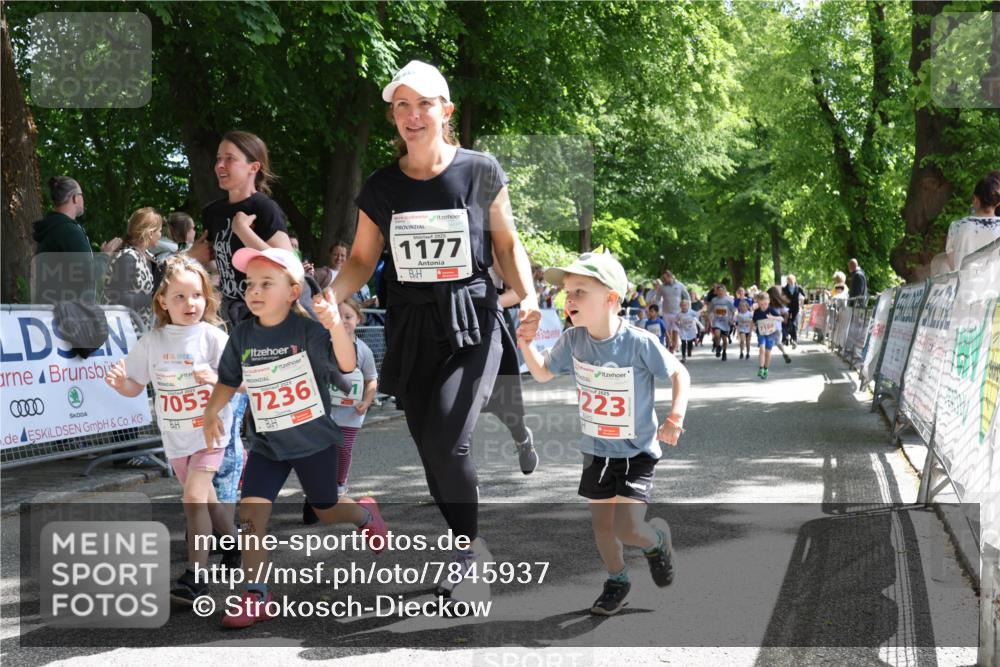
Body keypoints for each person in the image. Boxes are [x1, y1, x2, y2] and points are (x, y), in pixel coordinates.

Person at [327, 60, 541, 602]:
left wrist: (531, 297)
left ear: (445, 111)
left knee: (448, 440)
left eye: (423, 104)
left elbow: (507, 244)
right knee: (431, 447)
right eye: (401, 106)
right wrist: (333, 293)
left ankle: (469, 552)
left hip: (471, 320)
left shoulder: (479, 170)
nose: (412, 115)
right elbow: (360, 258)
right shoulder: (382, 187)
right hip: (412, 327)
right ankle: (463, 543)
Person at [202, 247, 387, 628]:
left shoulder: (308, 330)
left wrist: (335, 324)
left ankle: (365, 513)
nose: (253, 291)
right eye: (250, 284)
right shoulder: (242, 335)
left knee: (326, 509)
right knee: (251, 515)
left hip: (313, 441)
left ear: (292, 291)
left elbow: (348, 364)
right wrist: (210, 412)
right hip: (267, 444)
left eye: (266, 283)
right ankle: (256, 593)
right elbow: (228, 380)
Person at [517, 252, 689, 616]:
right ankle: (617, 580)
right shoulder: (573, 340)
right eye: (567, 291)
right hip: (596, 452)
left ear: (611, 299)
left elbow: (679, 374)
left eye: (580, 291)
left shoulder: (638, 342)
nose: (569, 299)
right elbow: (544, 373)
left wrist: (675, 415)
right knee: (602, 528)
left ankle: (656, 540)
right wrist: (525, 344)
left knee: (628, 529)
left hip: (637, 452)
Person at [104, 255, 243, 604]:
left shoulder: (212, 337)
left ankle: (196, 578)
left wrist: (217, 378)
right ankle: (235, 543)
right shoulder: (153, 341)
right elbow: (136, 385)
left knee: (194, 497)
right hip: (175, 437)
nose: (189, 303)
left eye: (196, 295)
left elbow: (242, 383)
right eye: (179, 296)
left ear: (206, 298)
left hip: (211, 433)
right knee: (208, 502)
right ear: (163, 301)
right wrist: (122, 384)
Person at [187, 131, 296, 327]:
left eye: (230, 159)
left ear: (253, 167)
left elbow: (290, 268)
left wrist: (244, 232)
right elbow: (216, 263)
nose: (220, 165)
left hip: (264, 317)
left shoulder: (264, 208)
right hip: (228, 316)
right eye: (219, 159)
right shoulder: (212, 212)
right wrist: (194, 256)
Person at [33, 176, 121, 304]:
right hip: (68, 314)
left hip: (53, 311)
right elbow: (88, 272)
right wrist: (105, 255)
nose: (83, 199)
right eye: (81, 195)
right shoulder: (69, 230)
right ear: (75, 198)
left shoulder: (53, 227)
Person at [324, 298, 379, 502]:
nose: (343, 321)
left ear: (358, 319)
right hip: (324, 412)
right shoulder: (321, 344)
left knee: (343, 449)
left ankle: (340, 482)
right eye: (338, 316)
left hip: (350, 414)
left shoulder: (364, 350)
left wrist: (366, 400)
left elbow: (371, 379)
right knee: (322, 450)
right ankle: (319, 486)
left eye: (348, 316)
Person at [102, 207, 163, 331]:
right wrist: (150, 299)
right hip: (123, 332)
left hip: (138, 331)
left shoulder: (148, 257)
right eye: (160, 231)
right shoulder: (127, 257)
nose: (161, 235)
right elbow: (119, 297)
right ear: (150, 233)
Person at [947, 170, 1000, 269]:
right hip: (995, 284)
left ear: (975, 199)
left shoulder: (956, 227)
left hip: (966, 284)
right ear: (997, 203)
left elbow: (953, 266)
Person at [654, 270, 689, 353]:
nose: (663, 280)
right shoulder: (662, 287)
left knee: (675, 330)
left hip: (677, 312)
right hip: (666, 312)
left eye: (665, 278)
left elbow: (687, 296)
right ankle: (670, 344)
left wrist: (687, 308)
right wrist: (658, 309)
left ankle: (673, 348)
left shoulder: (680, 285)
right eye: (663, 278)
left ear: (670, 277)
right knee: (667, 330)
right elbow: (658, 298)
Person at [753, 291, 784, 379]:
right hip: (761, 333)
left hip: (771, 334)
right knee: (762, 349)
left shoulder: (771, 310)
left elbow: (781, 319)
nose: (763, 306)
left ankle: (766, 368)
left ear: (769, 301)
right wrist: (753, 328)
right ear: (758, 302)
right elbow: (754, 321)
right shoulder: (757, 312)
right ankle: (761, 368)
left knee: (768, 352)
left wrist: (773, 317)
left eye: (765, 303)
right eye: (761, 304)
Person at [766, 285, 793, 365]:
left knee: (767, 342)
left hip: (768, 326)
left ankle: (766, 358)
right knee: (778, 342)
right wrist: (785, 320)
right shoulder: (779, 305)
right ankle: (784, 352)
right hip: (777, 326)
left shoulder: (767, 304)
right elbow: (786, 313)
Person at [709, 284, 736, 361]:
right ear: (716, 292)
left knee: (724, 339)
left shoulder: (729, 300)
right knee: (717, 334)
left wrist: (732, 319)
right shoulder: (714, 300)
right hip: (717, 321)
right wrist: (710, 317)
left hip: (726, 321)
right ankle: (718, 346)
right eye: (719, 291)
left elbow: (734, 310)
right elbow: (710, 310)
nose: (720, 292)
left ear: (725, 291)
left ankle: (724, 352)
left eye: (722, 291)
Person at [782, 274, 805, 348]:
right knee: (787, 323)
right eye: (789, 280)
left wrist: (802, 299)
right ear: (787, 281)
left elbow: (804, 296)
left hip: (796, 308)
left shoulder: (798, 288)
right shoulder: (784, 289)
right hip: (787, 308)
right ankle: (786, 338)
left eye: (792, 280)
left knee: (794, 323)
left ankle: (794, 339)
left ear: (795, 280)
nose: (791, 282)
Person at [676, 299, 700, 363]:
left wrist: (702, 312)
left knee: (690, 341)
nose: (684, 307)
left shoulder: (691, 312)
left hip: (691, 330)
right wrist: (678, 324)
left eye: (685, 305)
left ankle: (689, 349)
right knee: (683, 342)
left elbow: (697, 314)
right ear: (680, 306)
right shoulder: (679, 314)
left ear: (688, 306)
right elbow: (676, 320)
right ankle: (683, 357)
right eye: (682, 305)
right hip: (683, 330)